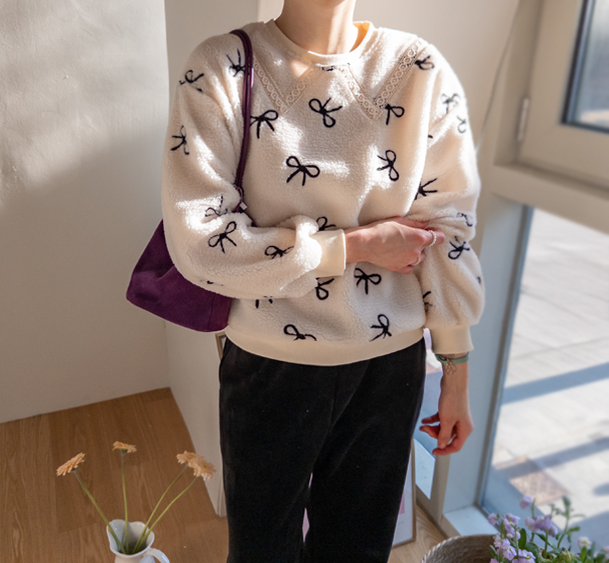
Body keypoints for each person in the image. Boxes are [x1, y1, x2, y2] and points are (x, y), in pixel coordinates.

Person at [161, 0, 485, 561]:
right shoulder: (221, 67)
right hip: (271, 365)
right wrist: (354, 246)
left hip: (389, 367)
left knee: (360, 549)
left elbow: (447, 230)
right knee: (263, 551)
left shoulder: (419, 68)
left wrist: (455, 368)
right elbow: (201, 243)